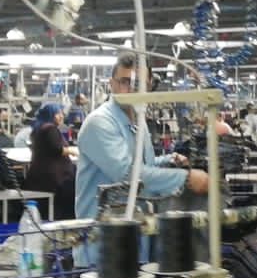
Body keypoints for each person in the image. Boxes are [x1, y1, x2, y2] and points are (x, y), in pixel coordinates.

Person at [73, 54, 208, 220]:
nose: (132, 90)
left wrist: (168, 160)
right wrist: (185, 178)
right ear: (111, 84)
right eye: (125, 82)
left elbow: (143, 164)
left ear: (149, 85)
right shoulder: (99, 122)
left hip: (135, 222)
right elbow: (127, 174)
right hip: (101, 229)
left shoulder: (138, 119)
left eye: (139, 84)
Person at [24, 104, 76, 219]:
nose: (61, 116)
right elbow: (57, 149)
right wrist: (72, 151)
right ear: (51, 115)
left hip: (41, 177)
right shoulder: (50, 129)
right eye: (58, 113)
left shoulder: (38, 129)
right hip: (53, 180)